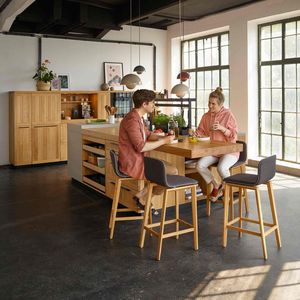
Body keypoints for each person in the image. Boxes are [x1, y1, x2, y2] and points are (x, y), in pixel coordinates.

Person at [118, 89, 177, 207]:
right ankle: (144, 198)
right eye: (152, 103)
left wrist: (164, 136)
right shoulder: (132, 120)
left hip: (138, 160)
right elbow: (141, 147)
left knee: (166, 171)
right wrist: (164, 141)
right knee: (173, 172)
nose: (154, 105)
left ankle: (141, 196)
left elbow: (148, 134)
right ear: (144, 104)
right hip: (133, 163)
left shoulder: (138, 117)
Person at [190, 87, 239, 202]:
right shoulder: (206, 116)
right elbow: (201, 132)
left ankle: (227, 189)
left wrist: (222, 129)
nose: (210, 106)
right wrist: (194, 133)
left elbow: (233, 136)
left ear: (221, 104)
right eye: (209, 103)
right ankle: (216, 185)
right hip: (213, 151)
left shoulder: (228, 115)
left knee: (222, 168)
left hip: (229, 151)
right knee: (199, 165)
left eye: (213, 104)